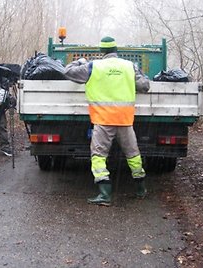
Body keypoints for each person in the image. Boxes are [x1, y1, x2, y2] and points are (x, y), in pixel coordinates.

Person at [64, 36, 150, 206]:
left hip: (103, 120)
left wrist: (80, 61)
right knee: (133, 155)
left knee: (99, 156)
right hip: (125, 120)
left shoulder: (93, 66)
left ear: (101, 51)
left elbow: (67, 72)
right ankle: (141, 189)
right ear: (116, 50)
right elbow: (145, 86)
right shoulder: (129, 66)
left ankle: (105, 194)